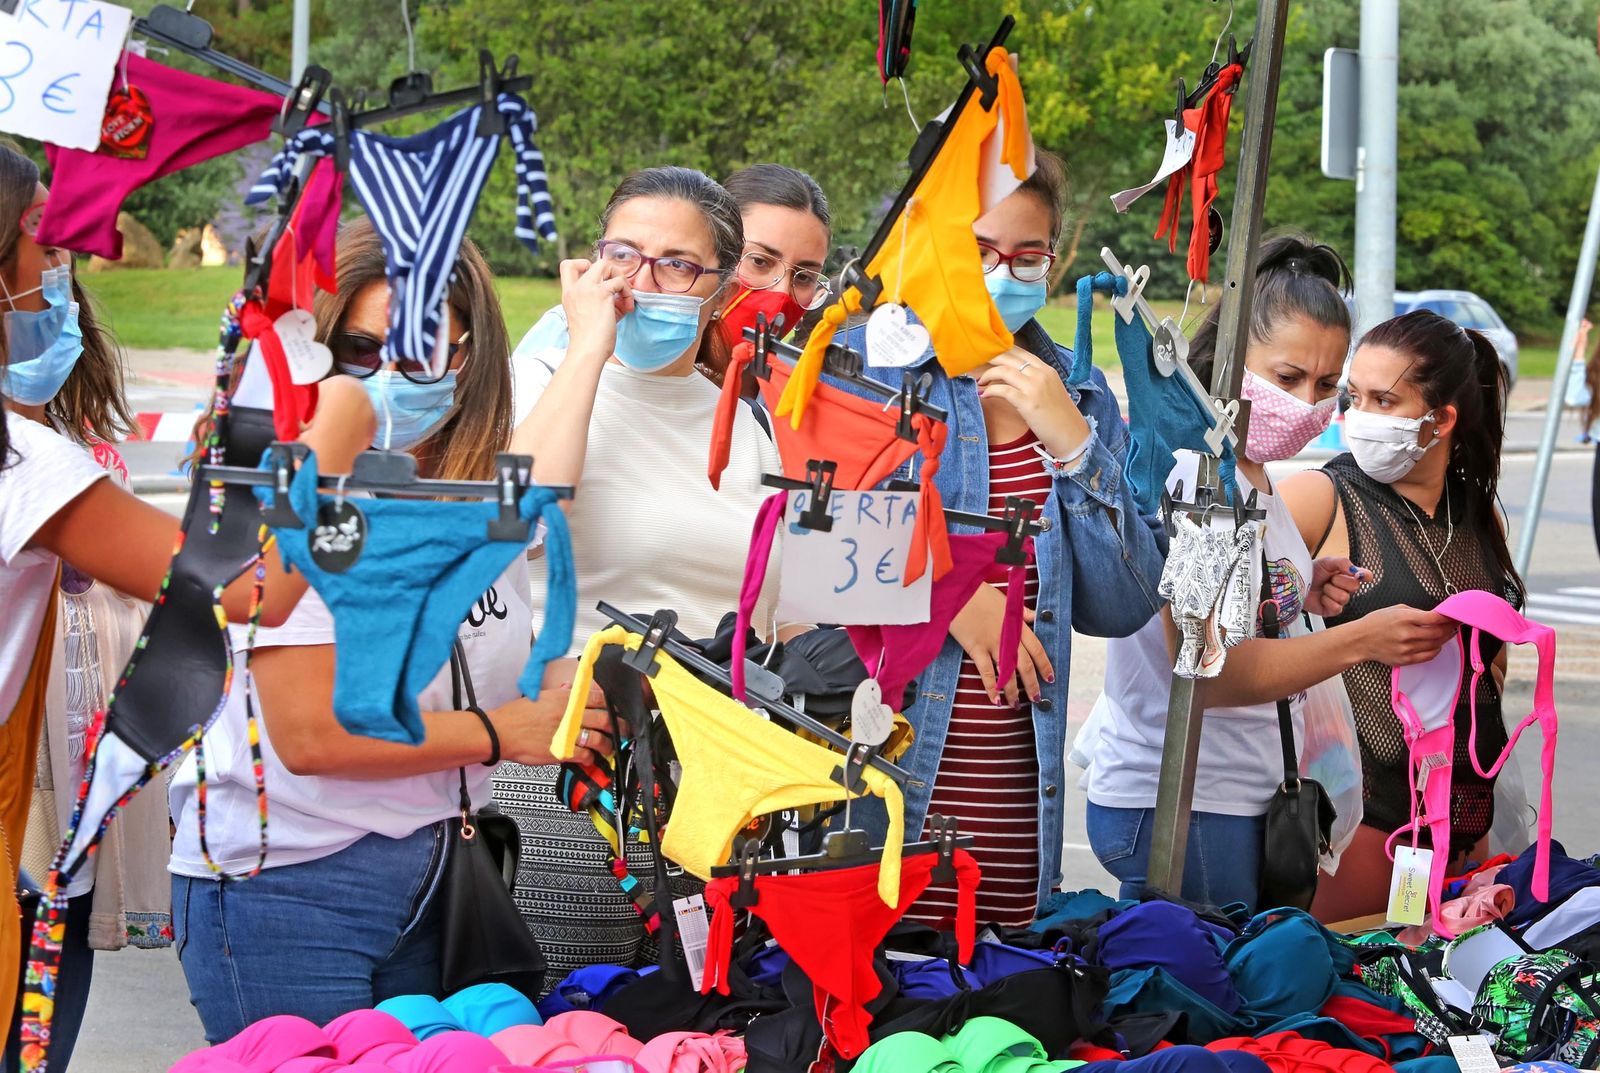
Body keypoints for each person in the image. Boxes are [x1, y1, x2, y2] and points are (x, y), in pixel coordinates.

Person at [166, 218, 614, 1043]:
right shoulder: (283, 489)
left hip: (440, 871)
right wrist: (502, 730)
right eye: (358, 349)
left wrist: (590, 342)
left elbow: (539, 486)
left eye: (416, 353)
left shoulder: (463, 491)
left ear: (468, 356)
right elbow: (310, 735)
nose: (382, 377)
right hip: (291, 885)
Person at [1077, 235, 1457, 912]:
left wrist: (1296, 587)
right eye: (1287, 377)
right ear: (1230, 359)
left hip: (1237, 798)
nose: (1308, 403)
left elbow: (1228, 602)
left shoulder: (1249, 472)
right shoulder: (1199, 476)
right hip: (1191, 803)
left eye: (1326, 386)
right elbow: (1210, 668)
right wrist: (1361, 639)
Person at [833, 149, 1164, 926]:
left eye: (1026, 257)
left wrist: (1075, 445)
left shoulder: (1077, 391)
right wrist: (948, 592)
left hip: (1018, 810)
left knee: (1006, 981)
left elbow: (1125, 602)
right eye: (979, 251)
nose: (1001, 274)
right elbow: (803, 552)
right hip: (884, 804)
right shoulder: (862, 366)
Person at [496, 165, 798, 975]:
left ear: (721, 289)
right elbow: (511, 522)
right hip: (575, 775)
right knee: (564, 1018)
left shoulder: (749, 422)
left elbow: (781, 611)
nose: (641, 281)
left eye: (677, 264)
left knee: (702, 1021)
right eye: (622, 255)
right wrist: (587, 349)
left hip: (718, 788)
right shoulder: (542, 385)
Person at [0, 141, 171, 1073]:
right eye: (46, 239)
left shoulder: (40, 448)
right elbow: (234, 586)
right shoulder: (26, 465)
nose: (64, 266)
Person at [1279, 309, 1525, 922]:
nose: (1357, 416)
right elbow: (1239, 644)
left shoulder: (1479, 518)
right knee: (1359, 970)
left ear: (1441, 419)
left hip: (1466, 810)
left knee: (1452, 972)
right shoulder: (1319, 497)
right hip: (1361, 814)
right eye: (1354, 396)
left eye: (1384, 400)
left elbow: (1492, 670)